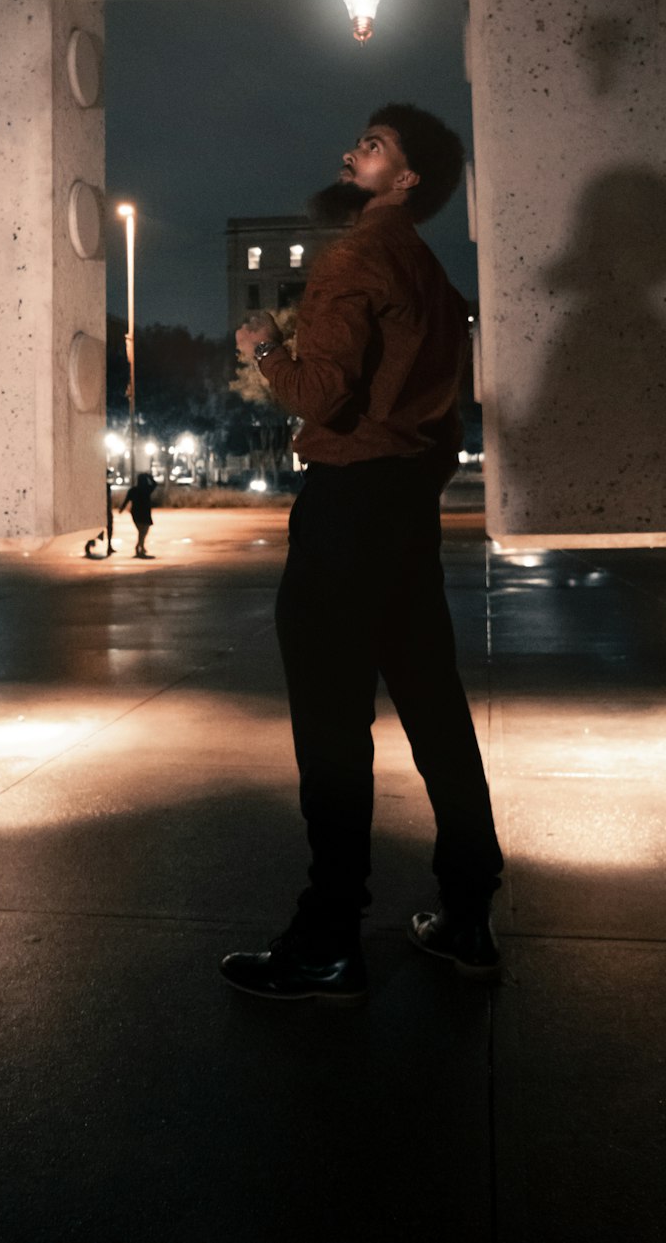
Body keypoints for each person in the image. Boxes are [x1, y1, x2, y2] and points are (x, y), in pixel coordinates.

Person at [220, 103, 504, 1006]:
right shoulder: (431, 273)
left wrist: (268, 349)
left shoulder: (352, 255)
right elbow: (441, 415)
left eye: (373, 146)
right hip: (406, 514)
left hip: (347, 513)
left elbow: (323, 396)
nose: (351, 151)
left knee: (333, 730)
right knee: (436, 713)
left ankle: (328, 938)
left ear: (407, 177)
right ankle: (467, 913)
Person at [119, 471, 158, 558]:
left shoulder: (133, 490)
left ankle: (140, 547)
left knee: (141, 531)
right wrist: (149, 477)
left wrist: (121, 508)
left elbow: (126, 500)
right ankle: (139, 547)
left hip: (136, 513)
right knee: (144, 531)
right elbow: (155, 484)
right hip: (144, 512)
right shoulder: (147, 489)